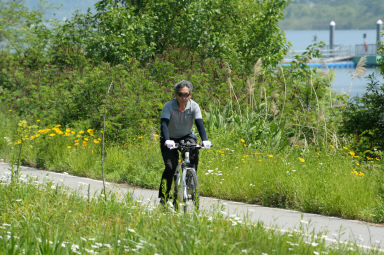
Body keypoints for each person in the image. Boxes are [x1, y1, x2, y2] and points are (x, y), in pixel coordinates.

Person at [159, 80, 211, 205]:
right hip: (169, 137)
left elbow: (199, 124)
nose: (184, 98)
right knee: (170, 166)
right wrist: (167, 140)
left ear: (190, 95)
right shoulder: (169, 106)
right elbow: (164, 124)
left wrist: (204, 140)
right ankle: (164, 196)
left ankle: (190, 182)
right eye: (181, 94)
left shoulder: (194, 106)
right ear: (175, 94)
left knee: (194, 156)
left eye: (186, 95)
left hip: (186, 135)